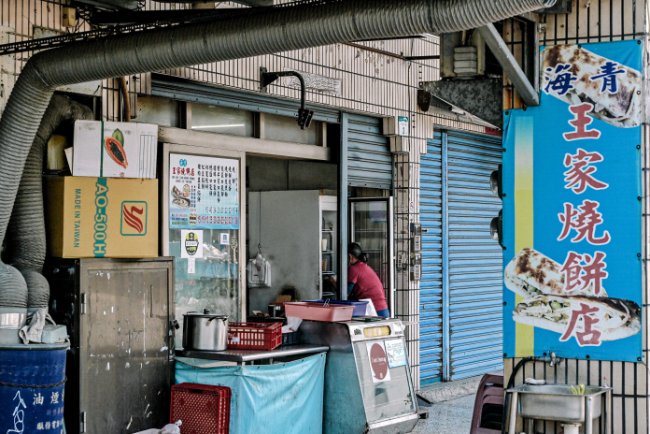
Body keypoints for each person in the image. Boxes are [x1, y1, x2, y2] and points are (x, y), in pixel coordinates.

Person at [347, 242, 390, 318]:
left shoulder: (354, 269)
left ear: (350, 257)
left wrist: (331, 281)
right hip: (383, 309)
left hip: (373, 310)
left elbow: (346, 292)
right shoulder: (364, 267)